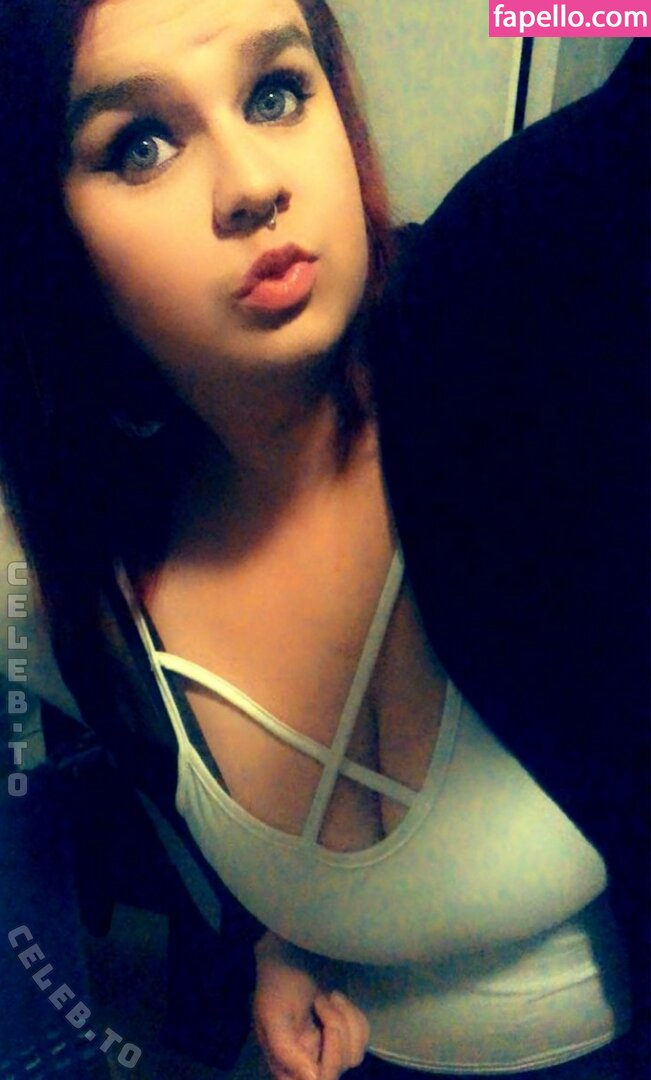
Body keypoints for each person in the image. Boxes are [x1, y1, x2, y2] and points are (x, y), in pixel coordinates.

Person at [0, 2, 647, 1078]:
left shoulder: (527, 369)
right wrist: (287, 933)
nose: (252, 184)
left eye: (275, 93)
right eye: (140, 145)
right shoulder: (94, 582)